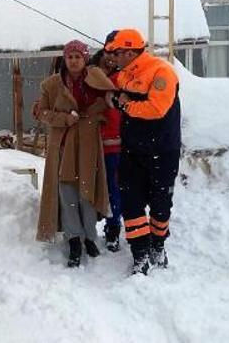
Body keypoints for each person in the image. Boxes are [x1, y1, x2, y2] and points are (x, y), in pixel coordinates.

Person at [34, 39, 116, 268]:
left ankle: (90, 237)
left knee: (87, 192)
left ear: (85, 58)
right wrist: (64, 119)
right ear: (64, 58)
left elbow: (110, 100)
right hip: (62, 146)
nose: (73, 61)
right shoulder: (51, 84)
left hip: (88, 145)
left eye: (78, 56)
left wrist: (94, 113)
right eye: (70, 57)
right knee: (67, 192)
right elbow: (40, 111)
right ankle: (73, 240)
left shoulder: (97, 79)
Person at [106, 29, 181, 275]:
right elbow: (113, 91)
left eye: (115, 53)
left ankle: (157, 246)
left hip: (162, 151)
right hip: (132, 152)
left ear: (129, 51)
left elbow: (156, 109)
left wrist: (125, 104)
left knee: (161, 205)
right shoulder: (124, 75)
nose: (112, 58)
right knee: (131, 204)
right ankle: (140, 253)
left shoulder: (162, 72)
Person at [88, 46, 123, 252]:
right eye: (108, 54)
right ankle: (87, 230)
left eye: (115, 55)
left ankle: (113, 229)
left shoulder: (124, 78)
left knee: (114, 190)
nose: (111, 59)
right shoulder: (90, 77)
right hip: (91, 144)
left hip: (116, 145)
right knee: (89, 190)